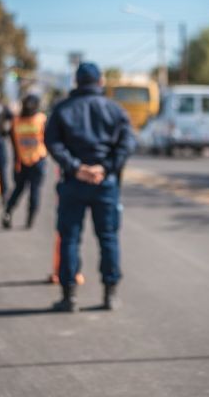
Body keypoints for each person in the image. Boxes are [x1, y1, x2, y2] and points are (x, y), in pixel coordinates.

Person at [45, 62, 136, 312]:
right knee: (108, 237)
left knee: (70, 239)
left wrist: (76, 168)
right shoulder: (114, 110)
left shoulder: (62, 109)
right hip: (105, 184)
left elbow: (52, 142)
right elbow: (127, 143)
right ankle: (110, 295)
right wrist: (104, 168)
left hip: (73, 183)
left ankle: (69, 297)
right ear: (100, 82)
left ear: (76, 82)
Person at [2, 94, 47, 229]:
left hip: (21, 160)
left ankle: (8, 212)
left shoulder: (16, 121)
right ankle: (30, 218)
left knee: (18, 189)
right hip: (38, 159)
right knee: (35, 190)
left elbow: (13, 142)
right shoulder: (41, 120)